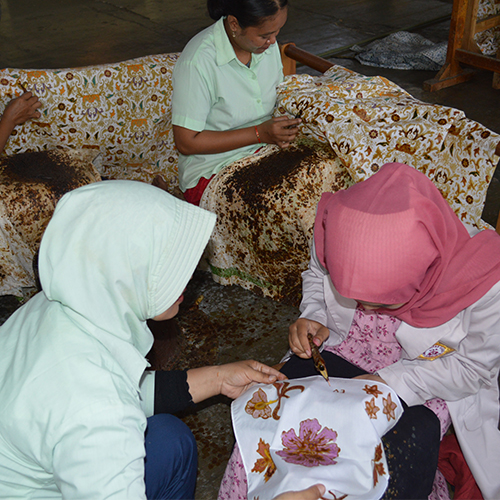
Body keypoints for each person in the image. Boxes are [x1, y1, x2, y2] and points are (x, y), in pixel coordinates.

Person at [0, 179, 287, 499]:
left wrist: (218, 378)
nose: (189, 276)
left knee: (169, 439)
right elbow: (103, 402)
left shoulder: (60, 301)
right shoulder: (98, 409)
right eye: (170, 265)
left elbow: (121, 387)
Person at [286, 162, 500, 499]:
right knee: (281, 417)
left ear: (426, 271)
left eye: (385, 302)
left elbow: (471, 367)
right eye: (352, 296)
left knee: (391, 456)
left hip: (427, 376)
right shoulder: (335, 232)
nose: (365, 310)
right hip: (341, 348)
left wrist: (386, 382)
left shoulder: (483, 278)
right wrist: (313, 316)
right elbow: (316, 274)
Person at [171, 0, 302, 205]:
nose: (273, 41)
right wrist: (259, 133)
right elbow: (186, 142)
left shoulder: (266, 48)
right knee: (279, 207)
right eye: (265, 35)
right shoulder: (198, 62)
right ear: (234, 24)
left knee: (320, 179)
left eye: (277, 32)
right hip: (214, 169)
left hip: (264, 152)